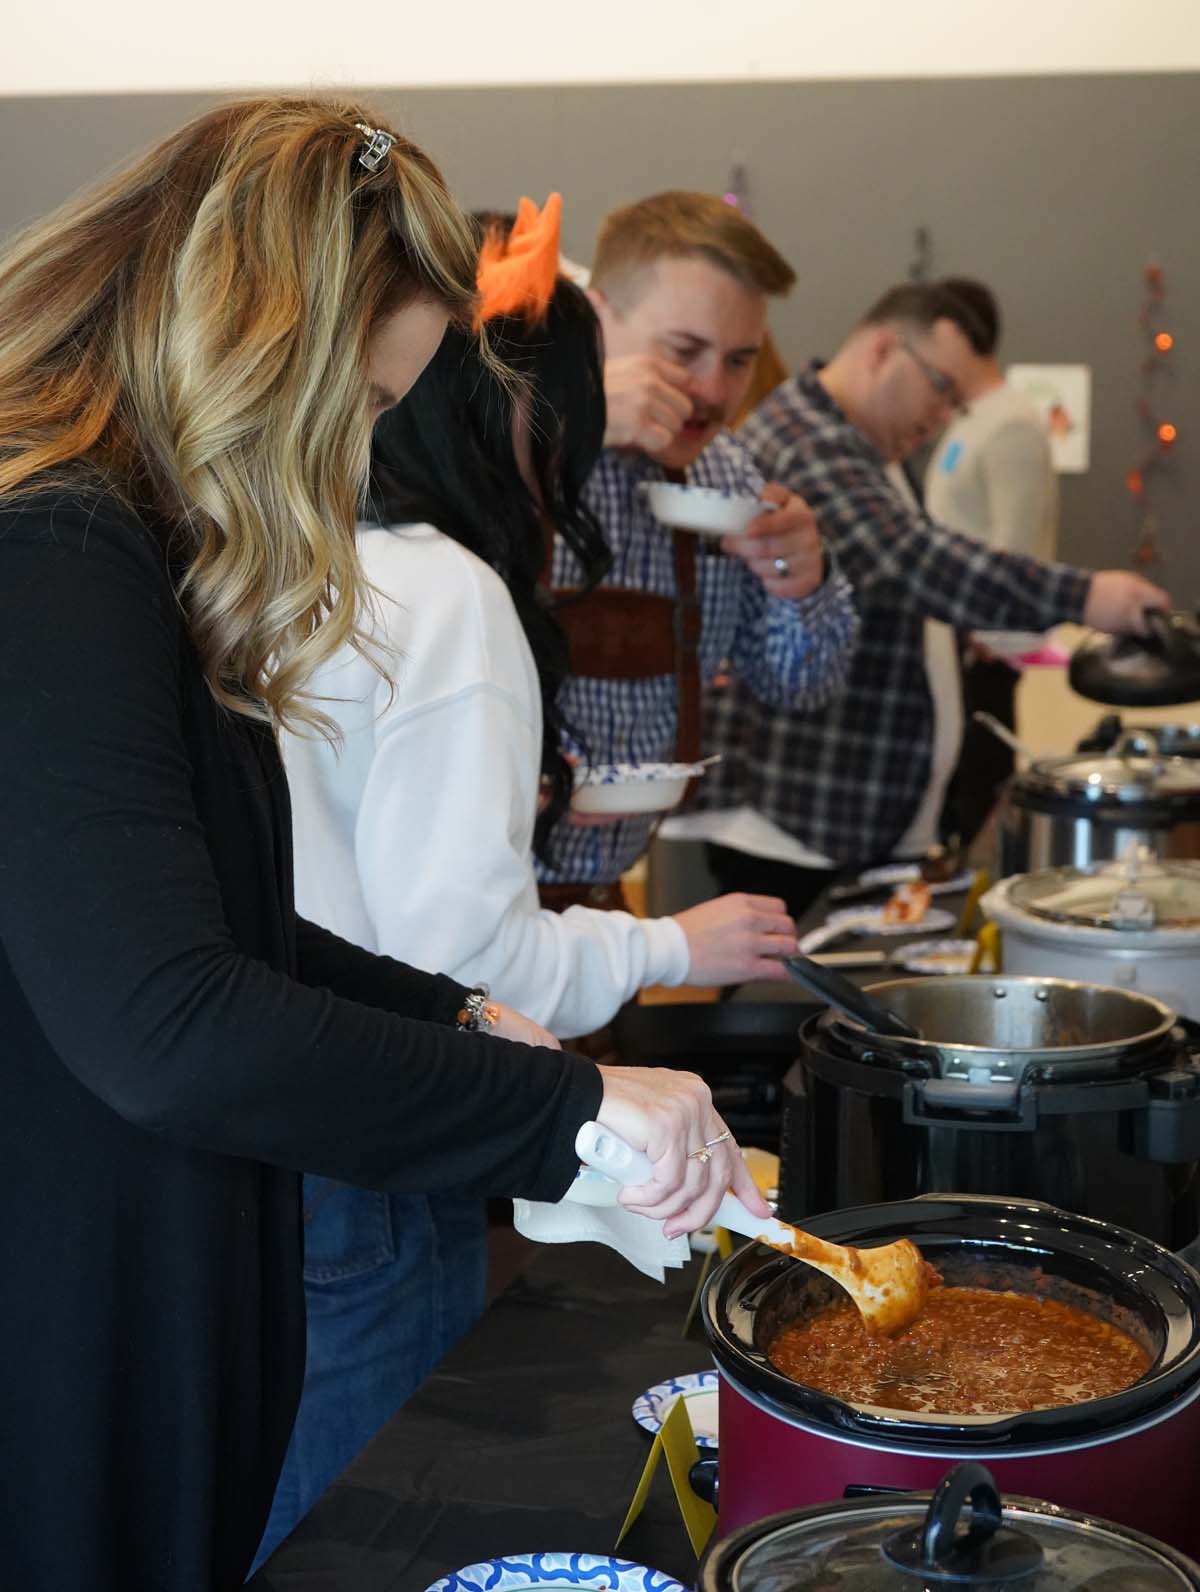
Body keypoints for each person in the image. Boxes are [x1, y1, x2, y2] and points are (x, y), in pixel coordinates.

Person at [0, 100, 766, 1589]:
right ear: (256, 350)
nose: (355, 456)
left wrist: (459, 1014)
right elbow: (169, 1022)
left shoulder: (133, 557)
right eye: (357, 403)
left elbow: (220, 925)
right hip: (75, 1312)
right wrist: (571, 1116)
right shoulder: (58, 554)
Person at [263, 196, 798, 1559]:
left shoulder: (312, 556)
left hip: (279, 1107)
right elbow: (465, 946)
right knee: (364, 1530)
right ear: (509, 414)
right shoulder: (449, 596)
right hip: (377, 1123)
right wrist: (665, 951)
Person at [673, 280, 1169, 914]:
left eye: (957, 403)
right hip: (794, 821)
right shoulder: (810, 443)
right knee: (785, 1007)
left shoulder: (864, 444)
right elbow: (913, 560)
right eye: (942, 388)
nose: (943, 416)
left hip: (838, 816)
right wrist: (1088, 594)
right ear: (884, 350)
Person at [534, 191, 859, 902]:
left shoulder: (722, 473)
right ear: (597, 317)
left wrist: (805, 583)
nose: (713, 391)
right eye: (684, 351)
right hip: (450, 917)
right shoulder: (504, 437)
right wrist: (566, 421)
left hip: (602, 899)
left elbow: (798, 683)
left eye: (740, 360)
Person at [924, 277, 1059, 841]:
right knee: (954, 794)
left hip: (985, 649)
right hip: (951, 639)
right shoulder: (970, 416)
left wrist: (991, 632)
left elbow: (1017, 548)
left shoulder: (1013, 423)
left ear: (955, 332)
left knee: (977, 796)